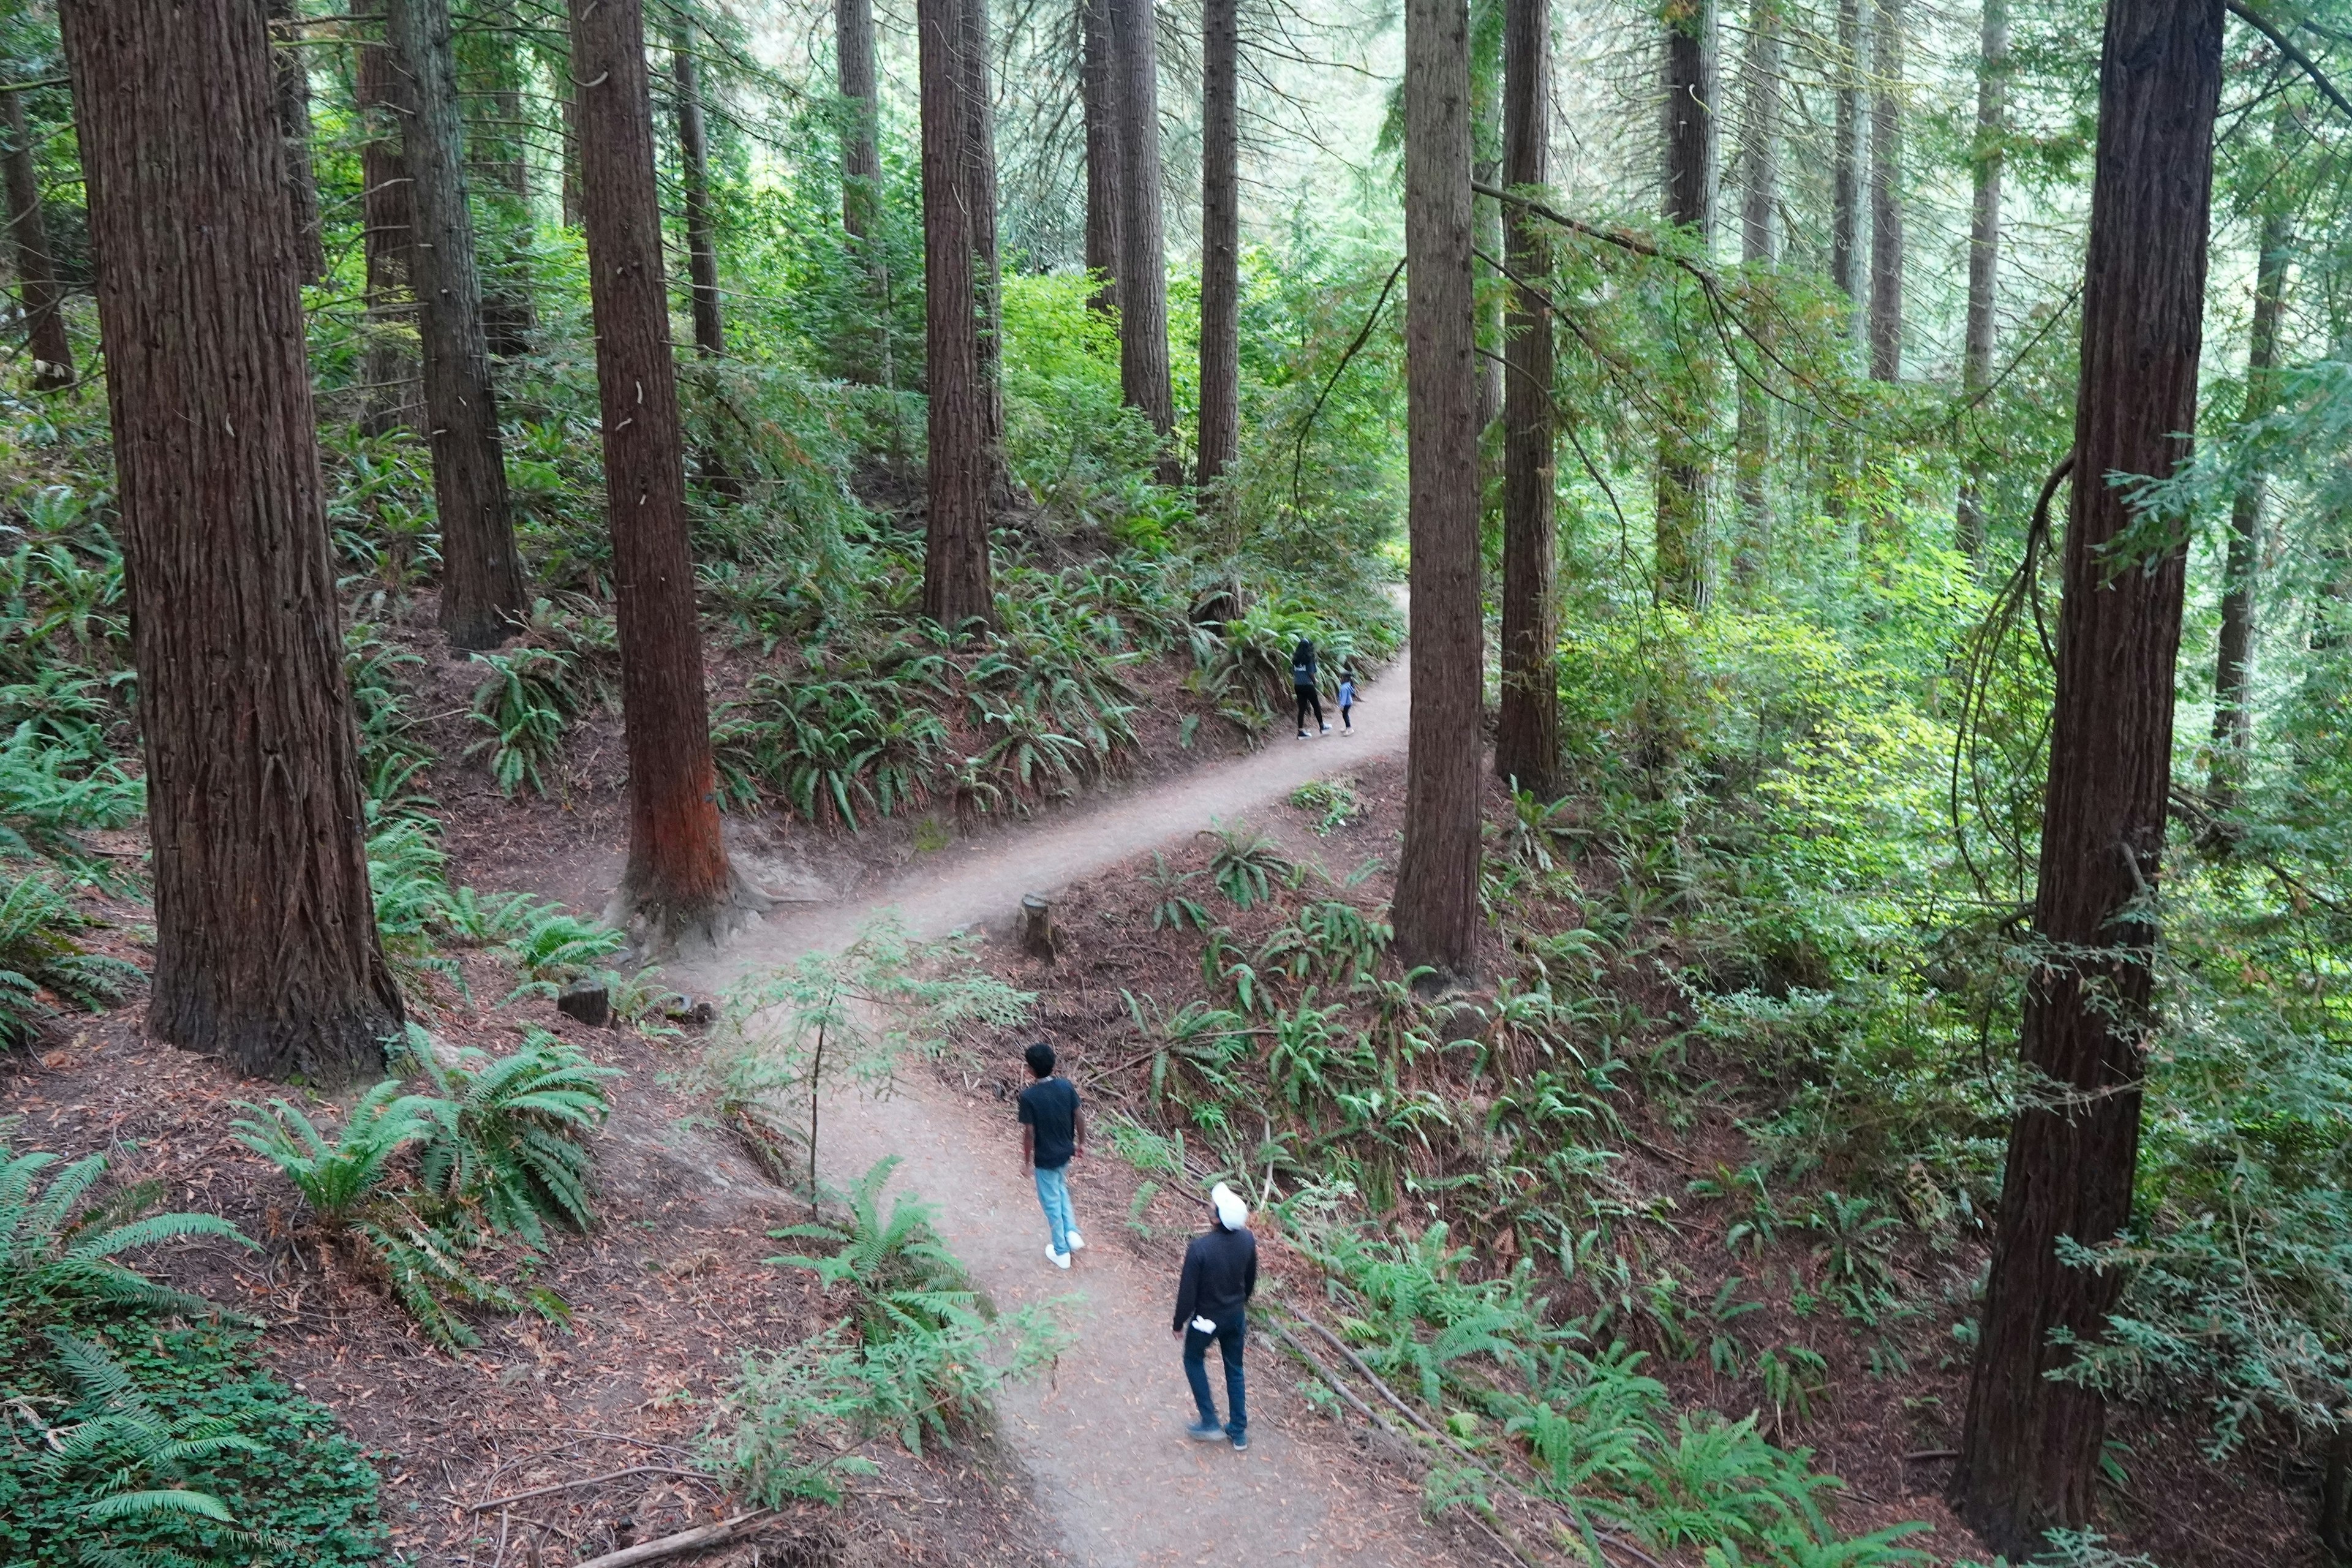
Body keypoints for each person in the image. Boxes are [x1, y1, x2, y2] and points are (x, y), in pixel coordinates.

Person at [1172, 1182, 1257, 1450]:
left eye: (1213, 1205)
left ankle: (1209, 1421)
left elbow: (1187, 1292)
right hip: (1235, 1316)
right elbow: (1251, 1279)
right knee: (1235, 1370)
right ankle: (1238, 1431)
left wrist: (1178, 1323)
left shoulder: (1200, 1248)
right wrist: (1240, 1302)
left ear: (1216, 1218)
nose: (1208, 1205)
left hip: (1206, 1321)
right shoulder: (1247, 1240)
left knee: (1193, 1358)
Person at [1016, 1041, 1084, 1268]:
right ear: (1054, 1064)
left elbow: (1029, 1133)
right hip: (1066, 1152)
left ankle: (1061, 1251)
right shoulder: (1066, 1087)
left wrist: (1027, 1163)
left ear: (1030, 1070)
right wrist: (1081, 1143)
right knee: (1061, 1190)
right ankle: (1072, 1233)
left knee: (1051, 1202)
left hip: (1045, 1159)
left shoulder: (1029, 1097)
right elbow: (1079, 1116)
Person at [1291, 638, 1327, 739]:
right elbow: (1311, 673)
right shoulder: (1309, 659)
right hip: (1308, 685)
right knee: (1316, 705)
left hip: (1298, 686)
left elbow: (1294, 672)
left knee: (1302, 709)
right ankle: (1322, 726)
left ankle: (1300, 732)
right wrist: (1315, 680)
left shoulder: (1295, 659)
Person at [1336, 669, 1357, 734]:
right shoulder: (1349, 685)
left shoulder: (1344, 688)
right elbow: (1352, 692)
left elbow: (1344, 698)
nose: (1340, 679)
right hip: (1349, 703)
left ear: (1345, 678)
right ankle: (1347, 727)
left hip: (1346, 704)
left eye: (1341, 677)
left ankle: (1349, 728)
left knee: (1345, 716)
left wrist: (1342, 706)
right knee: (1345, 715)